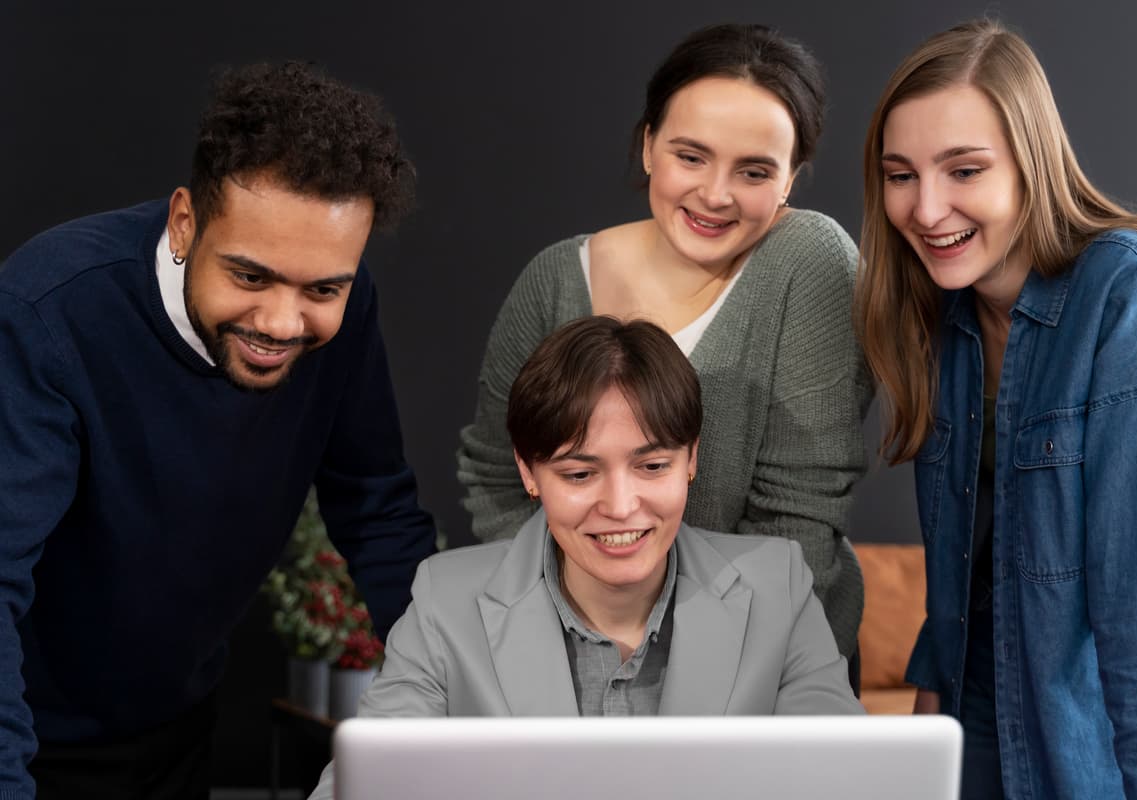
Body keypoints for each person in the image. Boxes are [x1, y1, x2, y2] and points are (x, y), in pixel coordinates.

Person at [0, 62, 438, 799]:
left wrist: (458, 702)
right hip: (31, 740)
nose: (281, 322)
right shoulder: (50, 311)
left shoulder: (344, 305)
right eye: (250, 276)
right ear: (184, 222)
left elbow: (377, 507)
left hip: (180, 726)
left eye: (322, 289)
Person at [854, 18, 1137, 800]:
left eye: (964, 170)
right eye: (900, 174)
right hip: (975, 720)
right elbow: (966, 568)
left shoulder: (1132, 288)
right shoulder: (945, 316)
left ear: (1031, 166)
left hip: (1102, 743)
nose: (926, 208)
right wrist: (930, 721)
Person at [311, 315, 861, 798]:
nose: (621, 507)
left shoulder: (777, 587)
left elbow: (848, 782)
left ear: (692, 457)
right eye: (579, 474)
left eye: (653, 467)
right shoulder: (445, 602)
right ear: (529, 472)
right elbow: (362, 785)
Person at [458, 23, 871, 665]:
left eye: (754, 170)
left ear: (791, 179)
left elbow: (798, 524)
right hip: (571, 661)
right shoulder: (556, 279)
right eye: (690, 156)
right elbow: (493, 474)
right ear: (648, 145)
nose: (715, 194)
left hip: (762, 661)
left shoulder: (810, 262)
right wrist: (575, 628)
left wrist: (686, 669)